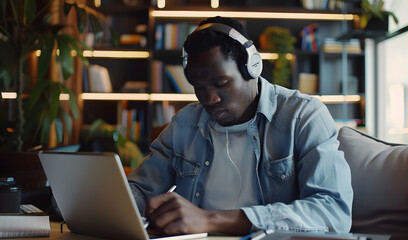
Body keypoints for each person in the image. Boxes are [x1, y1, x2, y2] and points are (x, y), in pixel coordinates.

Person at [128, 16, 353, 236]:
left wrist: (210, 220)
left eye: (220, 84)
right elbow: (138, 189)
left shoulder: (303, 116)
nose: (209, 98)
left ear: (252, 67)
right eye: (199, 87)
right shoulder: (185, 124)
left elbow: (333, 212)